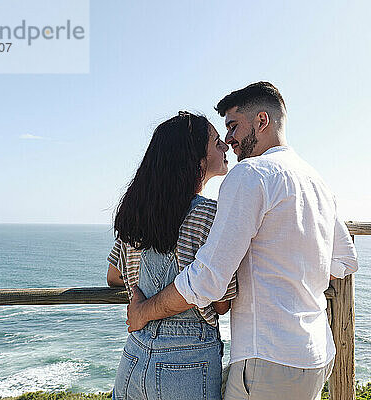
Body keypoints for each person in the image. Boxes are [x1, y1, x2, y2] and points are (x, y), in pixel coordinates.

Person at [126, 82, 358, 400]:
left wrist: (144, 311)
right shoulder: (316, 180)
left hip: (268, 357)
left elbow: (207, 280)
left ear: (262, 121)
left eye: (233, 126)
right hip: (316, 352)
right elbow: (345, 261)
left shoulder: (251, 174)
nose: (229, 139)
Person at [107, 111, 236, 400]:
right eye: (217, 143)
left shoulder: (136, 212)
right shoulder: (211, 215)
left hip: (134, 356)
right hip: (187, 362)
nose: (225, 146)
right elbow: (222, 303)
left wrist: (143, 298)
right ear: (196, 158)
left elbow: (114, 276)